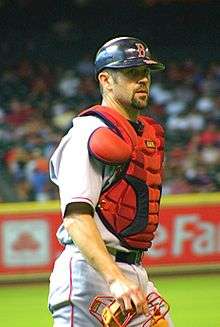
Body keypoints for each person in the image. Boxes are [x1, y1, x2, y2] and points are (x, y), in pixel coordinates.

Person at [48, 36, 174, 327]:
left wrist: (131, 279)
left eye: (145, 72)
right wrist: (115, 279)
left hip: (133, 270)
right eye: (131, 72)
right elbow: (77, 219)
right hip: (90, 274)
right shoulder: (88, 133)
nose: (142, 79)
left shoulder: (144, 134)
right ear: (106, 80)